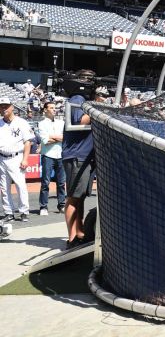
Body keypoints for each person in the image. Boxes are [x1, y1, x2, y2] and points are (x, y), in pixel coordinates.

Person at [62, 69, 97, 249]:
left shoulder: (83, 100)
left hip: (83, 156)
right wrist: (97, 108)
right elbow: (79, 121)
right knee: (73, 198)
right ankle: (72, 238)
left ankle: (80, 232)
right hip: (77, 156)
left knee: (80, 198)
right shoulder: (77, 99)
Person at [0, 97, 34, 222]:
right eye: (1, 106)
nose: (3, 108)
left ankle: (24, 211)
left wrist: (25, 159)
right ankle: (8, 212)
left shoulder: (21, 122)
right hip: (2, 157)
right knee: (4, 187)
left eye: (6, 106)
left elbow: (28, 142)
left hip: (16, 157)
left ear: (12, 107)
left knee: (20, 185)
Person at [37, 101, 67, 215]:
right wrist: (58, 137)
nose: (54, 109)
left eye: (55, 108)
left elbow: (65, 138)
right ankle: (43, 207)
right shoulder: (41, 124)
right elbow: (45, 141)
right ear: (45, 110)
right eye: (51, 108)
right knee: (45, 182)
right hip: (48, 156)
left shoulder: (61, 123)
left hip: (60, 155)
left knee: (61, 183)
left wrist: (52, 136)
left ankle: (62, 205)